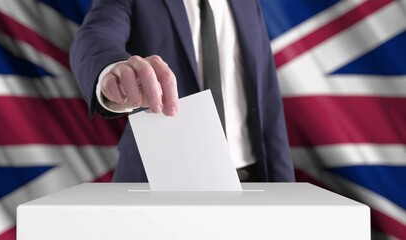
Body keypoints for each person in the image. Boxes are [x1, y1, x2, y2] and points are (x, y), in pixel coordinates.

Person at [70, 0, 295, 182]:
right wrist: (111, 69)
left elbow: (266, 96)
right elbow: (95, 34)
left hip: (251, 178)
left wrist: (285, 188)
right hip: (159, 180)